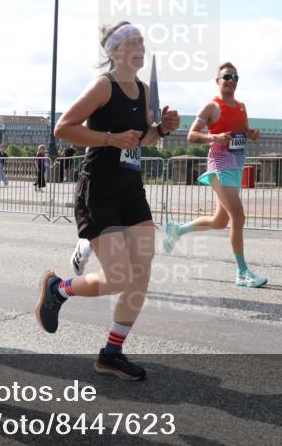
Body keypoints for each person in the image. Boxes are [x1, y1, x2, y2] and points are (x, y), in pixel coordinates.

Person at [36, 22, 179, 381]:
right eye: (131, 41)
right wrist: (109, 138)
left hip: (131, 189)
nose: (139, 47)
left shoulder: (142, 89)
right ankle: (59, 288)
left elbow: (142, 139)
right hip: (98, 187)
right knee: (118, 276)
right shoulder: (103, 86)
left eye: (142, 41)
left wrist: (161, 130)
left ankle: (111, 353)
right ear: (113, 52)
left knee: (141, 272)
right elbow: (63, 128)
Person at [163, 62, 267, 287]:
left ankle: (177, 230)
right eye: (227, 77)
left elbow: (243, 132)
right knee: (238, 216)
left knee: (220, 221)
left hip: (236, 166)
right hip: (219, 166)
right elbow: (190, 135)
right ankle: (242, 272)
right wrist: (213, 137)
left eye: (235, 77)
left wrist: (252, 134)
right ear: (218, 80)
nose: (231, 81)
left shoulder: (241, 106)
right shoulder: (211, 107)